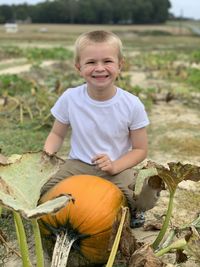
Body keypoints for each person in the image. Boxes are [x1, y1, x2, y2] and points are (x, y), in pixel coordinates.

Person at [41, 30, 151, 228]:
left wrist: (115, 166)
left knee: (145, 197)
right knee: (42, 189)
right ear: (78, 67)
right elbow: (57, 133)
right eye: (91, 62)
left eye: (107, 61)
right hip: (78, 164)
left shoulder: (132, 104)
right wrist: (46, 154)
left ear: (120, 65)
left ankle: (134, 212)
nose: (99, 68)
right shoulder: (70, 97)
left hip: (116, 166)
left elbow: (140, 149)